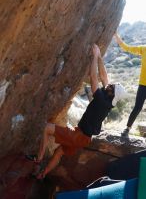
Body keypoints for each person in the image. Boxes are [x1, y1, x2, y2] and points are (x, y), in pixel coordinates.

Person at [26, 44, 127, 179]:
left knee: (46, 128)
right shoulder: (108, 100)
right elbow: (104, 76)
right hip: (83, 138)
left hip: (79, 136)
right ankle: (42, 175)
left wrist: (95, 56)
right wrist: (99, 57)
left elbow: (93, 77)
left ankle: (38, 159)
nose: (109, 85)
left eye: (112, 86)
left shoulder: (102, 101)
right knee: (59, 152)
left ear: (112, 92)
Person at [114, 33, 146, 137]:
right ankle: (127, 128)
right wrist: (116, 35)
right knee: (137, 107)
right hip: (143, 85)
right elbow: (126, 47)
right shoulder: (143, 49)